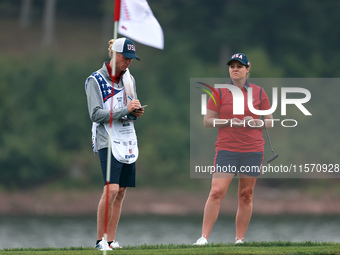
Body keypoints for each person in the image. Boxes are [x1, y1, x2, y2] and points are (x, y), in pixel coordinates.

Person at [194, 53, 273, 245]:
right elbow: (207, 121)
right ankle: (203, 238)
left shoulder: (259, 92)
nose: (235, 69)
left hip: (253, 150)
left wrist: (255, 122)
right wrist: (230, 121)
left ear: (248, 69)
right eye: (232, 66)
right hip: (227, 149)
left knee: (246, 195)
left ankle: (239, 240)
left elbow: (269, 122)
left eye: (239, 66)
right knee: (216, 191)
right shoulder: (219, 92)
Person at [85, 37, 144, 251]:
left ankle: (110, 240)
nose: (128, 63)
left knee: (121, 191)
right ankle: (100, 241)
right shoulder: (95, 80)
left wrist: (135, 112)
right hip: (106, 139)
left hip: (126, 139)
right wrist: (125, 112)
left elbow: (131, 111)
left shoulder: (129, 80)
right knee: (111, 189)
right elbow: (95, 114)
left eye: (131, 59)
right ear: (115, 55)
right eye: (126, 58)